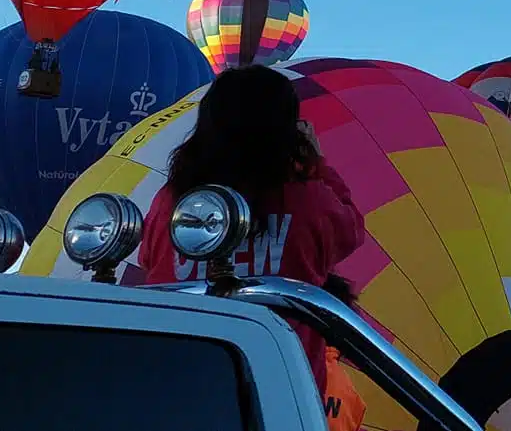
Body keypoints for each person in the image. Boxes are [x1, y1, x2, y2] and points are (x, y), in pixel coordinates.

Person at [137, 65, 366, 393]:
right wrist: (317, 163)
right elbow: (352, 230)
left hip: (175, 385)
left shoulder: (171, 202)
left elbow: (149, 262)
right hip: (278, 393)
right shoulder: (309, 199)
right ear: (288, 130)